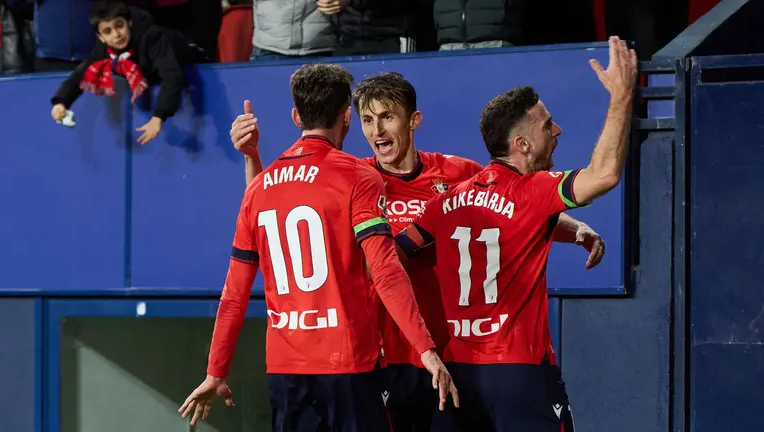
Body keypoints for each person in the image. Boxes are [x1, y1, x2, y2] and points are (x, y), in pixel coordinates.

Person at [230, 71, 605, 431]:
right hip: (384, 358)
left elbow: (513, 211)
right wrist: (252, 158)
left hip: (451, 359)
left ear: (414, 121)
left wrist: (576, 230)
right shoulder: (352, 179)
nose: (377, 131)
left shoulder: (457, 173)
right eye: (366, 120)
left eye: (387, 117)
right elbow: (272, 215)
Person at [178, 62, 458, 431]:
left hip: (285, 370)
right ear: (346, 116)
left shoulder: (259, 189)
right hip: (349, 365)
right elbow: (386, 271)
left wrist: (216, 371)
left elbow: (233, 296)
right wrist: (427, 350)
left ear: (296, 115)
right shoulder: (359, 176)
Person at [392, 36, 637, 432]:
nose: (556, 129)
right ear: (521, 144)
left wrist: (576, 232)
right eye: (546, 124)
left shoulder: (446, 202)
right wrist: (622, 97)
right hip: (519, 373)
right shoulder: (533, 191)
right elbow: (604, 174)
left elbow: (394, 257)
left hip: (457, 375)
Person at [49, 0, 207, 145]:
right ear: (100, 37)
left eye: (119, 25)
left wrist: (158, 116)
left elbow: (172, 76)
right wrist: (60, 102)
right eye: (108, 31)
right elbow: (80, 74)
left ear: (129, 22)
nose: (116, 35)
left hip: (194, 61)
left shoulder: (152, 37)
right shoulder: (104, 48)